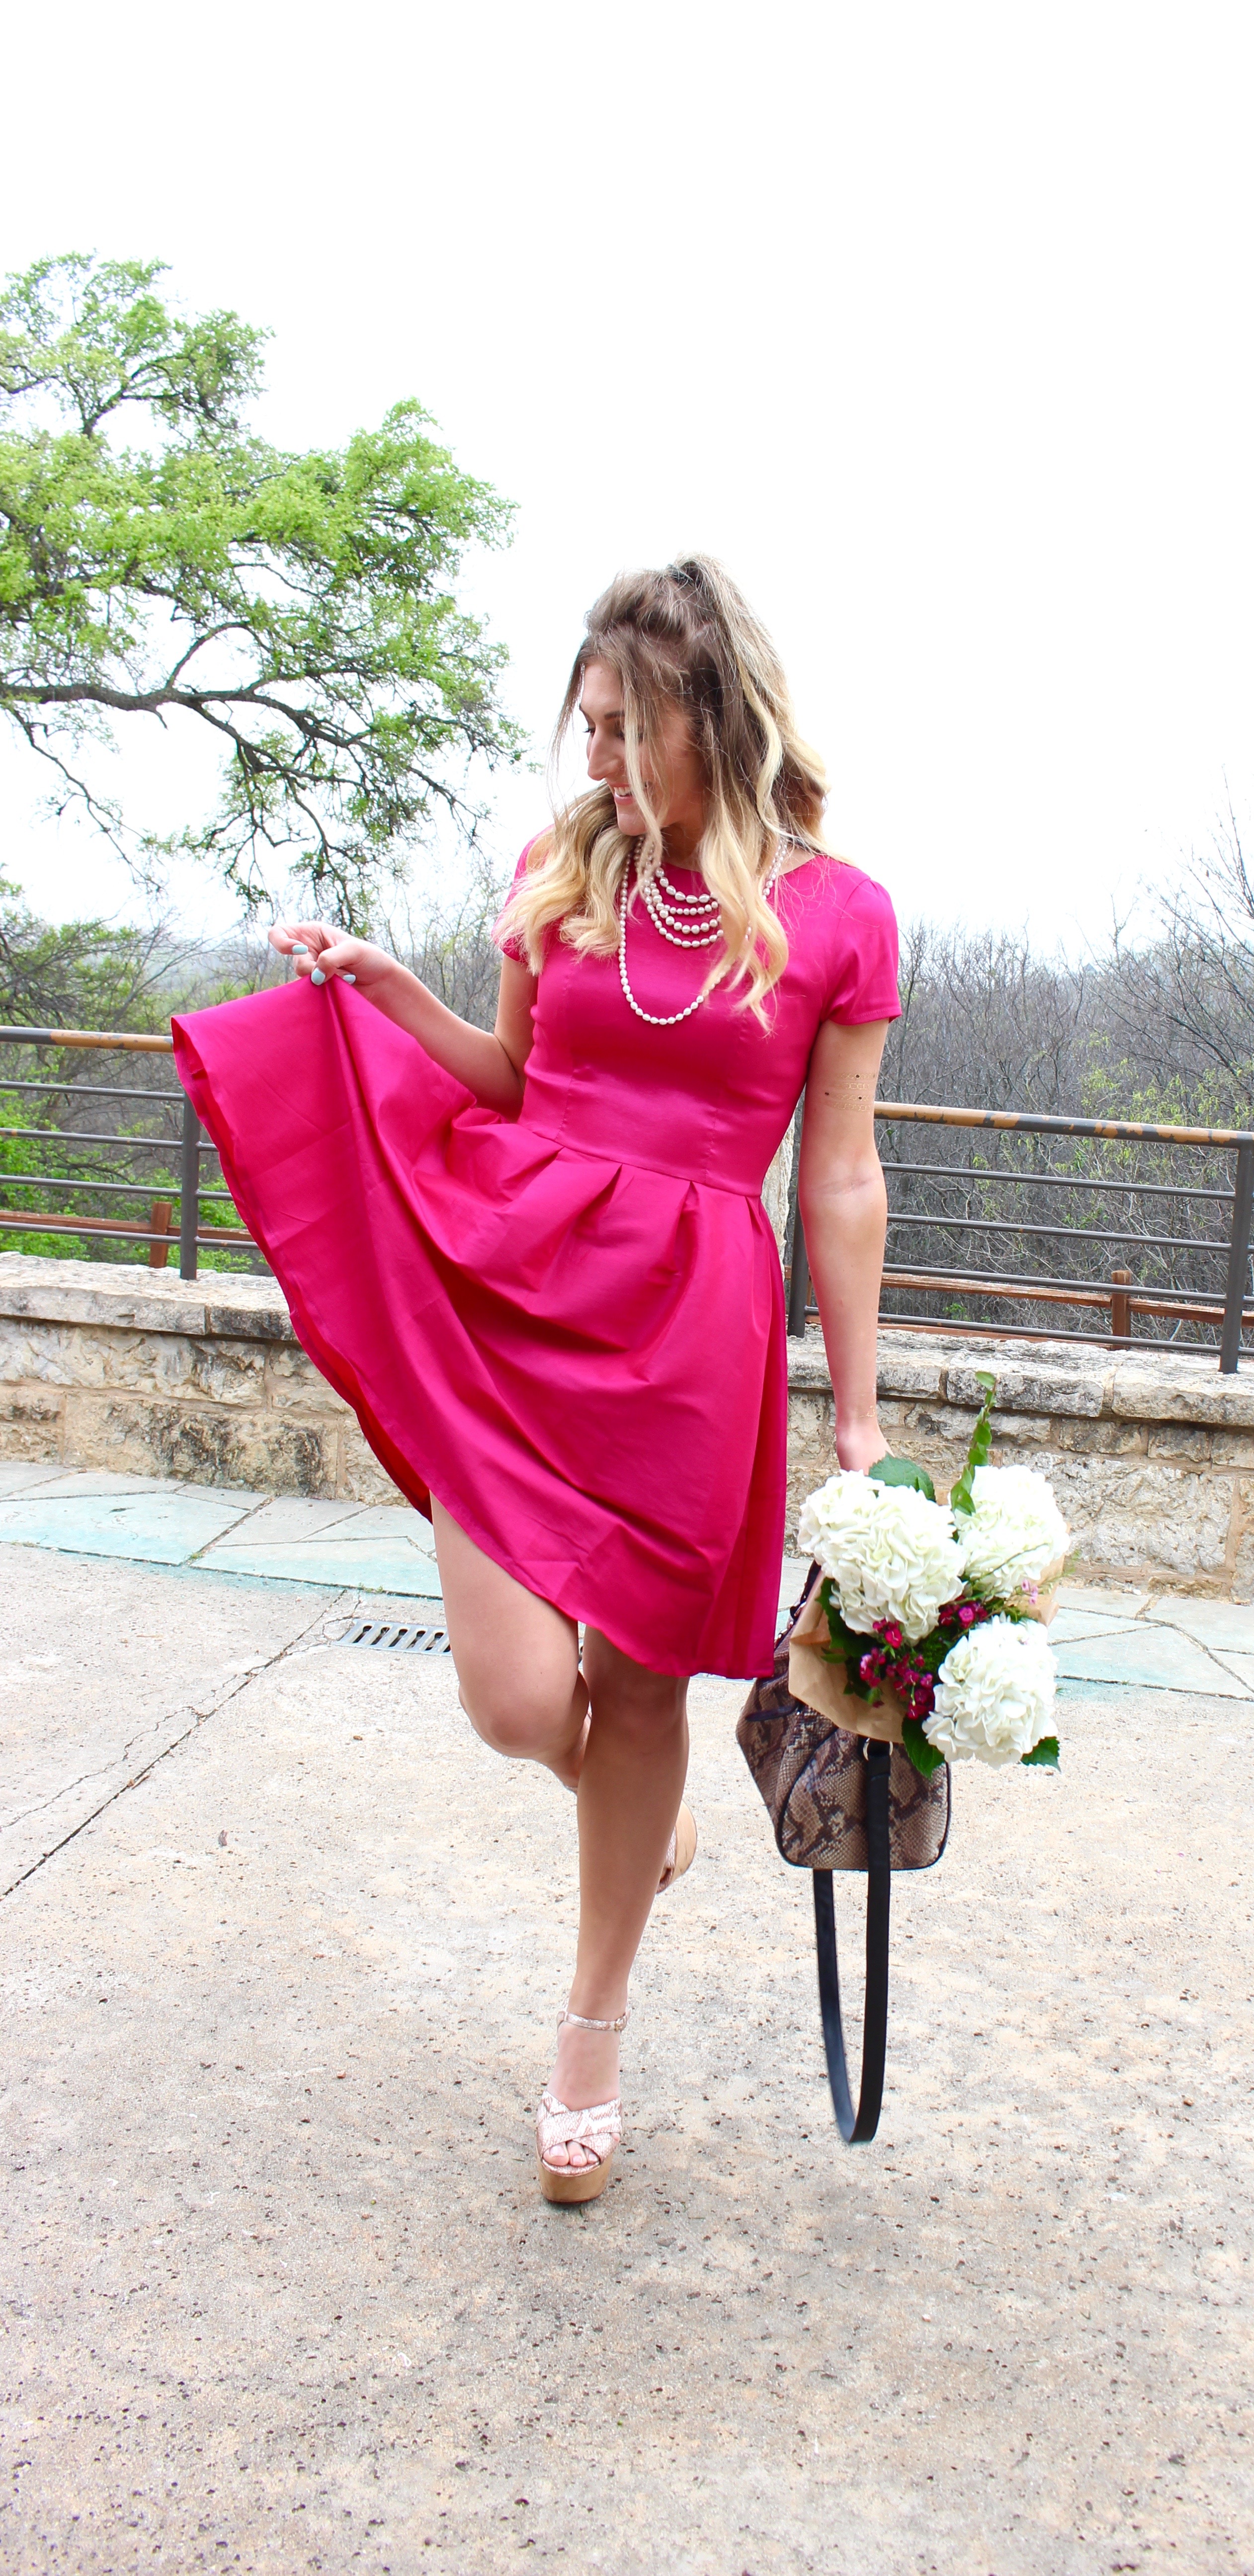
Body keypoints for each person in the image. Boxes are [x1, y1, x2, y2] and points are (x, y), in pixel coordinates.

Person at [172, 557, 897, 2204]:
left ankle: (591, 2034)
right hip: (513, 1282)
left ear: (708, 717)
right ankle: (636, 1822)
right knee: (515, 1700)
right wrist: (385, 988)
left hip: (693, 1333)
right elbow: (513, 1077)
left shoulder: (839, 916)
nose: (594, 761)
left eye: (621, 728)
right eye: (586, 727)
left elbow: (838, 1181)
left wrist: (855, 1413)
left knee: (641, 1689)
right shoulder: (560, 866)